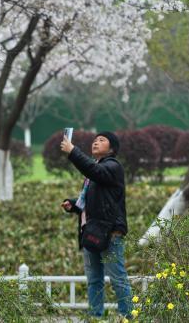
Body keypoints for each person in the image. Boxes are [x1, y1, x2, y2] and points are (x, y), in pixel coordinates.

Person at [60, 131, 132, 319]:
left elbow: (94, 171)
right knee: (94, 281)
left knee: (118, 280)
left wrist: (73, 151)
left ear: (112, 148)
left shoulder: (112, 167)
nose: (96, 142)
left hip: (110, 234)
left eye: (102, 140)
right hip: (92, 232)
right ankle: (95, 317)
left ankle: (128, 317)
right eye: (95, 140)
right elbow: (93, 201)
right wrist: (74, 204)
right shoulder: (95, 173)